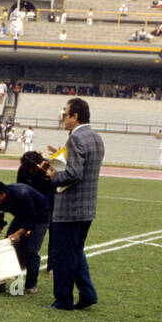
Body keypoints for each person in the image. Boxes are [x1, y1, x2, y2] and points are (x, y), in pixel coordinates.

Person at [45, 97, 104, 311]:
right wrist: (60, 155)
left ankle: (63, 300)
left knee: (63, 255)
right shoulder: (96, 137)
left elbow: (74, 173)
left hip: (70, 208)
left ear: (75, 116)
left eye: (66, 114)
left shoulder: (76, 138)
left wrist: (53, 176)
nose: (63, 119)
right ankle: (87, 293)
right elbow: (84, 167)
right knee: (76, 251)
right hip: (87, 207)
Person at [0, 177, 50, 295]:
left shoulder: (22, 195)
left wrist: (18, 233)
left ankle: (31, 285)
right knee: (6, 246)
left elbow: (31, 220)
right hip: (21, 215)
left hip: (40, 216)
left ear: (1, 194)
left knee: (31, 250)